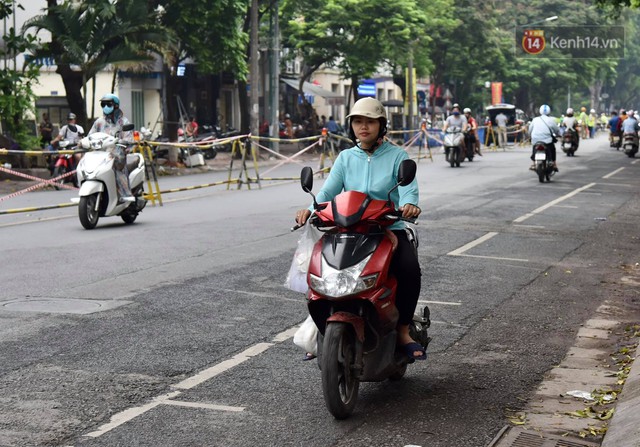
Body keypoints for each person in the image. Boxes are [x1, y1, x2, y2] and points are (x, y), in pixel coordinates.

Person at [294, 97, 425, 360]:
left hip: (388, 227)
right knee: (321, 271)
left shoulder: (397, 156)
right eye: (357, 122)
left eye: (369, 121)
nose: (363, 127)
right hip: (348, 228)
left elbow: (408, 189)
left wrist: (410, 204)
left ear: (381, 125)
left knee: (409, 270)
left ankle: (401, 330)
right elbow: (329, 190)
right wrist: (311, 208)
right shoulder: (345, 158)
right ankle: (324, 331)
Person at [88, 93, 133, 202]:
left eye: (108, 104)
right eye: (103, 104)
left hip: (117, 155)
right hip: (100, 155)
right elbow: (90, 136)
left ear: (116, 105)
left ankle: (125, 194)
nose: (105, 107)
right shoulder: (99, 122)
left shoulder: (123, 122)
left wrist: (124, 142)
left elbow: (129, 139)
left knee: (117, 170)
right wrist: (82, 142)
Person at [528, 104, 560, 172]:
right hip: (547, 140)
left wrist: (530, 136)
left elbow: (530, 130)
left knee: (534, 148)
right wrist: (558, 135)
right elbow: (556, 130)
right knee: (552, 149)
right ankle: (554, 163)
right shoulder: (551, 120)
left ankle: (533, 164)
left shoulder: (535, 119)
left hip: (535, 139)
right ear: (549, 111)